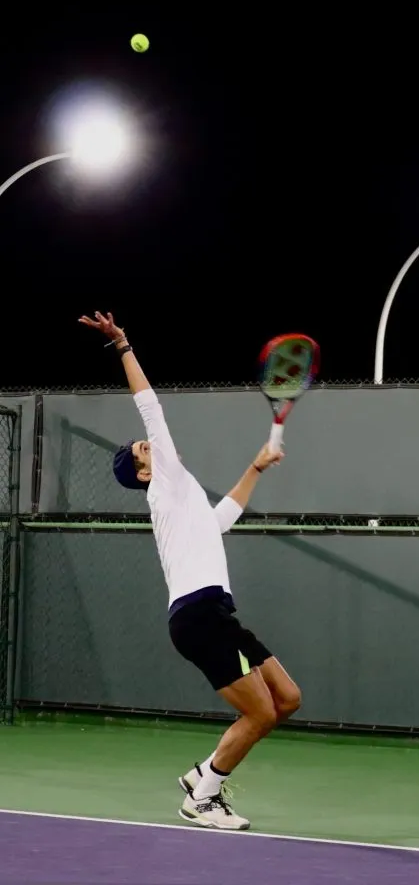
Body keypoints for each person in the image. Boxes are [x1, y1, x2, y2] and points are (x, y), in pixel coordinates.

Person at [79, 311, 302, 830]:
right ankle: (203, 797)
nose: (150, 442)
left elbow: (223, 517)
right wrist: (123, 344)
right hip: (198, 616)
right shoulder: (164, 483)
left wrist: (256, 465)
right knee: (261, 714)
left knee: (287, 700)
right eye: (143, 447)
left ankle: (204, 774)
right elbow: (150, 406)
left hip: (217, 614)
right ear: (143, 471)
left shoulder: (185, 500)